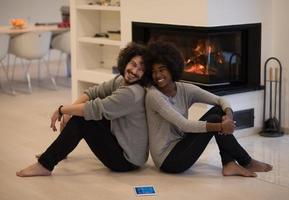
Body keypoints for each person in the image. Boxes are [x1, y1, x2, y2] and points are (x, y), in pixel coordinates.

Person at [16, 42, 149, 177]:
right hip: (122, 143)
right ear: (126, 62)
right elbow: (93, 92)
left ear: (145, 75)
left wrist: (63, 110)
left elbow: (94, 108)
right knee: (82, 114)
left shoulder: (132, 93)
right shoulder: (121, 80)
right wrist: (69, 111)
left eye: (141, 69)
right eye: (133, 64)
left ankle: (45, 164)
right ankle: (59, 152)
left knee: (83, 119)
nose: (134, 71)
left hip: (127, 160)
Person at [143, 41, 272, 177]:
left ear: (172, 67)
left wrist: (229, 117)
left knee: (219, 110)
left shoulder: (184, 89)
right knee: (216, 119)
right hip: (168, 161)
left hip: (181, 145)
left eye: (162, 69)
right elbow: (184, 125)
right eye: (153, 72)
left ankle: (229, 163)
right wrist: (221, 126)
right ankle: (246, 161)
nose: (157, 75)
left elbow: (220, 100)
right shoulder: (154, 95)